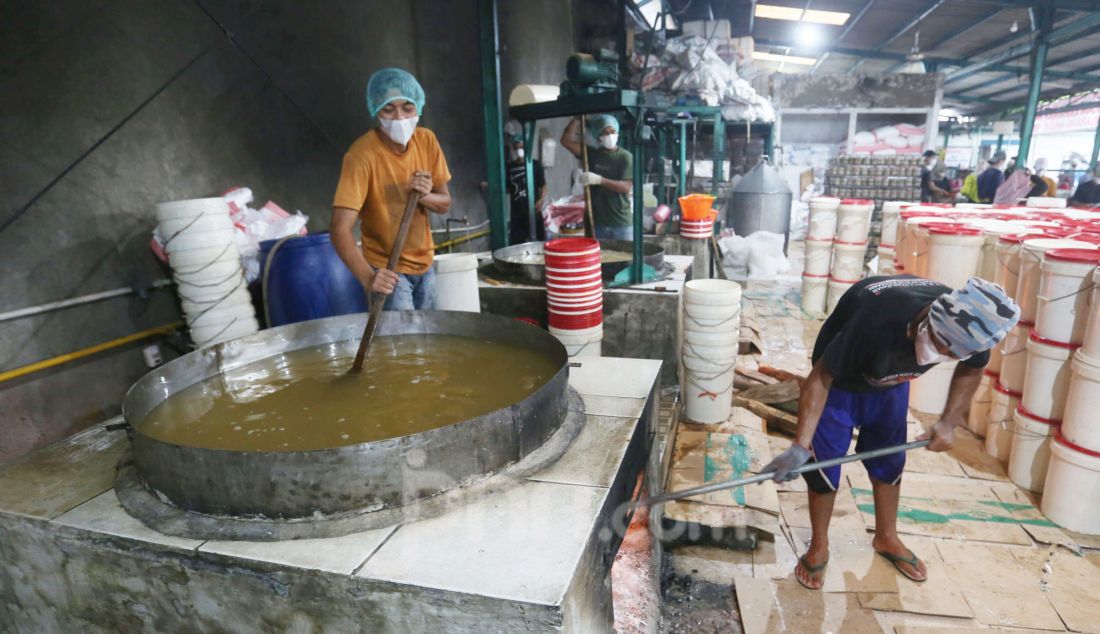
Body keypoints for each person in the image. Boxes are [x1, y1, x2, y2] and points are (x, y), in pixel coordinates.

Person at [763, 276, 1020, 590]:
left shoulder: (976, 326)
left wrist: (949, 422)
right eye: (940, 344)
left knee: (890, 460)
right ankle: (819, 545)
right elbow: (820, 378)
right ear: (930, 319)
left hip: (891, 383)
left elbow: (973, 367)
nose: (943, 355)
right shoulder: (877, 319)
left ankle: (886, 537)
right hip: (839, 384)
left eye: (953, 354)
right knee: (823, 465)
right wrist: (799, 447)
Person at [331, 68, 452, 311]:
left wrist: (425, 196)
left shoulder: (426, 140)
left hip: (425, 265)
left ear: (418, 106)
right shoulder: (361, 155)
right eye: (388, 108)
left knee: (430, 342)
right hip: (388, 271)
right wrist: (368, 278)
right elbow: (339, 228)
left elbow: (445, 202)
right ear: (375, 110)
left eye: (407, 107)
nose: (398, 117)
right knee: (403, 346)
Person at [560, 114, 634, 240]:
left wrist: (599, 180)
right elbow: (566, 140)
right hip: (596, 222)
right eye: (605, 133)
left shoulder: (625, 157)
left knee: (625, 258)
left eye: (612, 131)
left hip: (620, 222)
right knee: (599, 258)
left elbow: (626, 187)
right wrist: (577, 118)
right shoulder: (591, 155)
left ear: (617, 133)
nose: (609, 135)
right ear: (599, 137)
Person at [505, 132, 547, 244]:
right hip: (517, 213)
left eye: (522, 147)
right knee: (517, 245)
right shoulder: (509, 167)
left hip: (534, 210)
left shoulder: (535, 165)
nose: (519, 150)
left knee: (540, 242)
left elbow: (543, 185)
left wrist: (541, 199)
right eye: (517, 148)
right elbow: (506, 188)